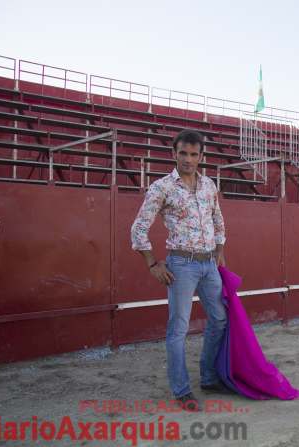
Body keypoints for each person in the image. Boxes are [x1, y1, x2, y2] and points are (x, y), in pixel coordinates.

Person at [130, 129, 231, 412]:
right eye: (183, 153)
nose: (188, 159)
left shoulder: (209, 185)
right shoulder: (161, 187)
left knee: (220, 320)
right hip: (181, 265)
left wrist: (219, 250)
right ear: (174, 154)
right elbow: (138, 228)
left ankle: (209, 377)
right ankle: (182, 389)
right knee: (179, 328)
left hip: (209, 263)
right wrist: (152, 262)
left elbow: (218, 220)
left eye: (193, 154)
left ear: (201, 156)